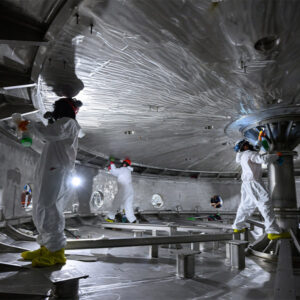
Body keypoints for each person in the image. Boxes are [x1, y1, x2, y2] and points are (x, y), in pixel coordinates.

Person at [21, 97, 82, 267]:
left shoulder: (69, 123)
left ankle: (56, 253)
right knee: (40, 207)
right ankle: (45, 247)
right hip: (50, 171)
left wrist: (32, 124)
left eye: (56, 107)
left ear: (63, 109)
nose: (54, 110)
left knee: (51, 208)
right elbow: (50, 135)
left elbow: (51, 134)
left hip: (58, 172)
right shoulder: (61, 124)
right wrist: (42, 124)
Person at [232, 139, 290, 240]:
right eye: (247, 144)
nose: (249, 145)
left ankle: (238, 226)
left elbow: (255, 149)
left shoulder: (241, 156)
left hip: (246, 184)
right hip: (254, 183)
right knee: (265, 203)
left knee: (246, 206)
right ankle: (273, 231)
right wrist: (277, 155)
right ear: (245, 147)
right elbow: (263, 159)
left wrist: (259, 139)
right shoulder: (249, 153)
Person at [106, 158, 137, 223]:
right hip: (130, 190)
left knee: (116, 202)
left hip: (124, 189)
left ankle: (110, 217)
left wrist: (112, 163)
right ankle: (133, 220)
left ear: (124, 164)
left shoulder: (124, 169)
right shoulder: (127, 170)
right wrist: (110, 170)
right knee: (128, 206)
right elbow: (116, 173)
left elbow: (115, 171)